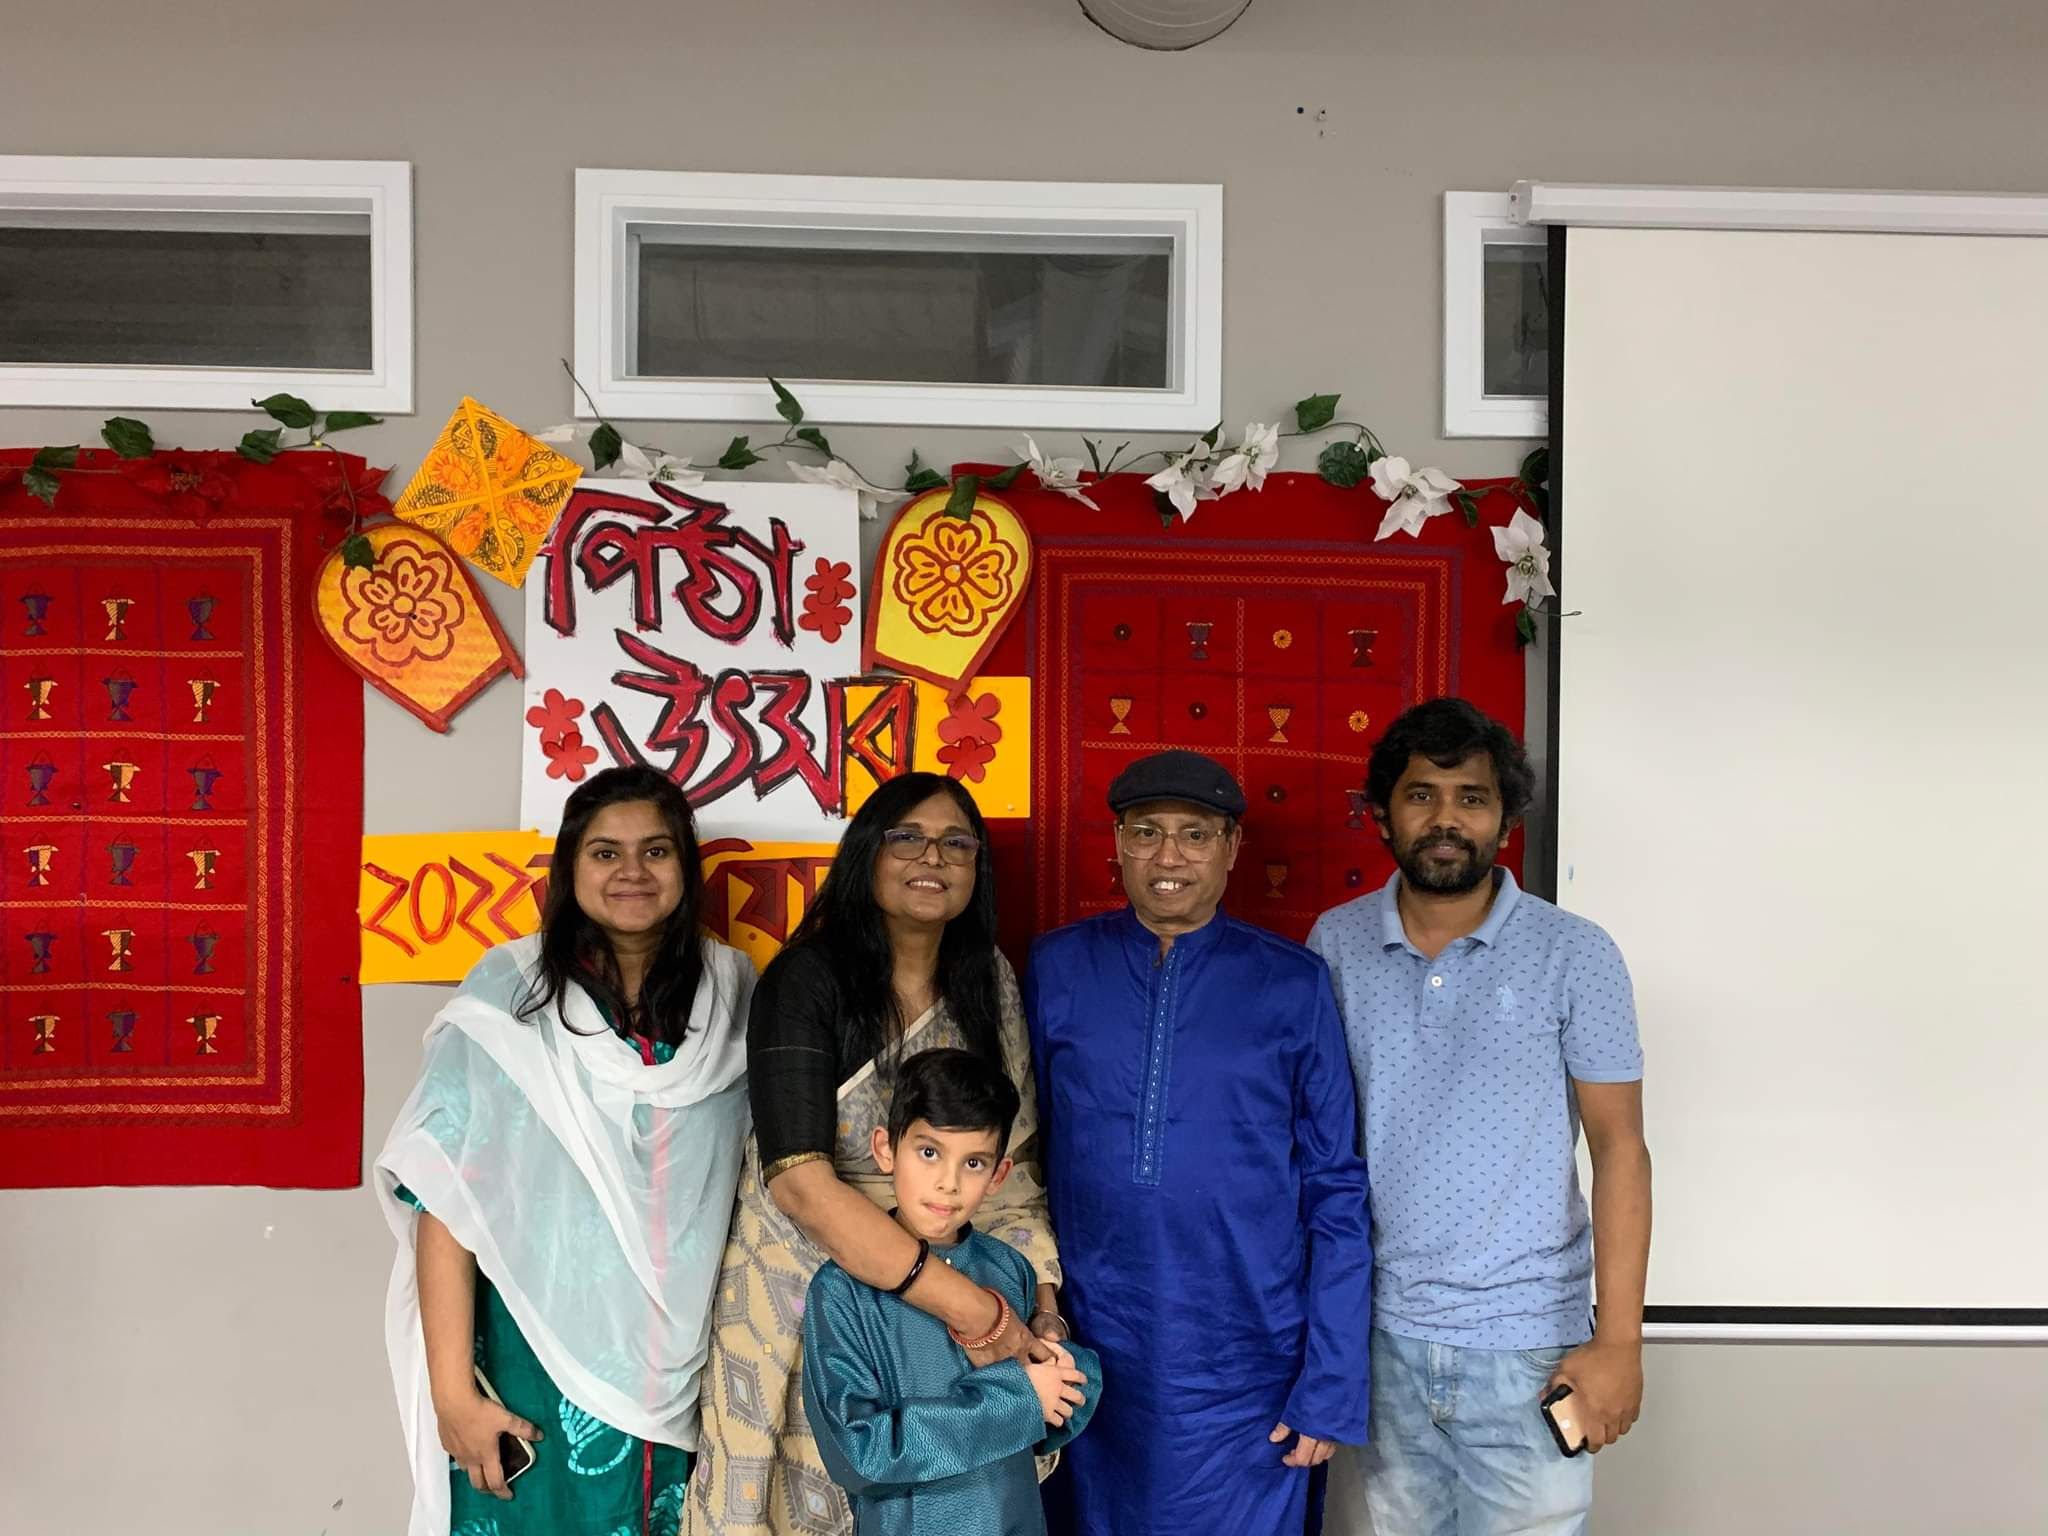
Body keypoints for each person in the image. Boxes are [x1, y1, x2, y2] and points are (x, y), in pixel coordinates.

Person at [376, 765, 755, 1536]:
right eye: (605, 852)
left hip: (694, 1374)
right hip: (536, 1358)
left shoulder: (732, 995)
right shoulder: (510, 998)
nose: (632, 871)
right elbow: (445, 1197)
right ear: (570, 869)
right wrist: (453, 1393)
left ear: (686, 866)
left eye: (656, 851)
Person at [1307, 698, 1652, 1536]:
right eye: (1421, 795)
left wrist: (1620, 1343)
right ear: (1383, 813)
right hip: (1379, 1339)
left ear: (1505, 818)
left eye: (1472, 797)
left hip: (1530, 1345)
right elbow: (1313, 1146)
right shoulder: (1335, 943)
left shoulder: (1576, 952)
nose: (1446, 819)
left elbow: (1619, 1149)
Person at [689, 773, 1063, 1536]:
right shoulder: (807, 977)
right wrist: (974, 1312)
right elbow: (800, 1186)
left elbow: (1014, 1167)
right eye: (908, 837)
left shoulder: (987, 981)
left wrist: (1040, 1310)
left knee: (946, 1493)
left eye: (957, 843)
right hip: (804, 1284)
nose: (934, 857)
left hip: (955, 1286)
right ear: (868, 852)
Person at [1025, 748, 1373, 1536]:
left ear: (1232, 848)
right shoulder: (1058, 967)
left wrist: (1331, 1379)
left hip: (1250, 1361)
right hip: (1092, 1346)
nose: (1169, 857)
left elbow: (1336, 1189)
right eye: (1145, 832)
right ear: (1118, 843)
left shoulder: (1292, 982)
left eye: (1195, 834)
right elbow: (1025, 1157)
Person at [802, 1048, 1102, 1536]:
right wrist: (1018, 1400)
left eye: (974, 1163)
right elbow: (859, 1455)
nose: (948, 1183)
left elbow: (1052, 1417)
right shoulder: (840, 1292)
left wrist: (1063, 1372)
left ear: (998, 1175)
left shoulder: (1009, 1269)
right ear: (885, 1149)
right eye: (929, 1153)